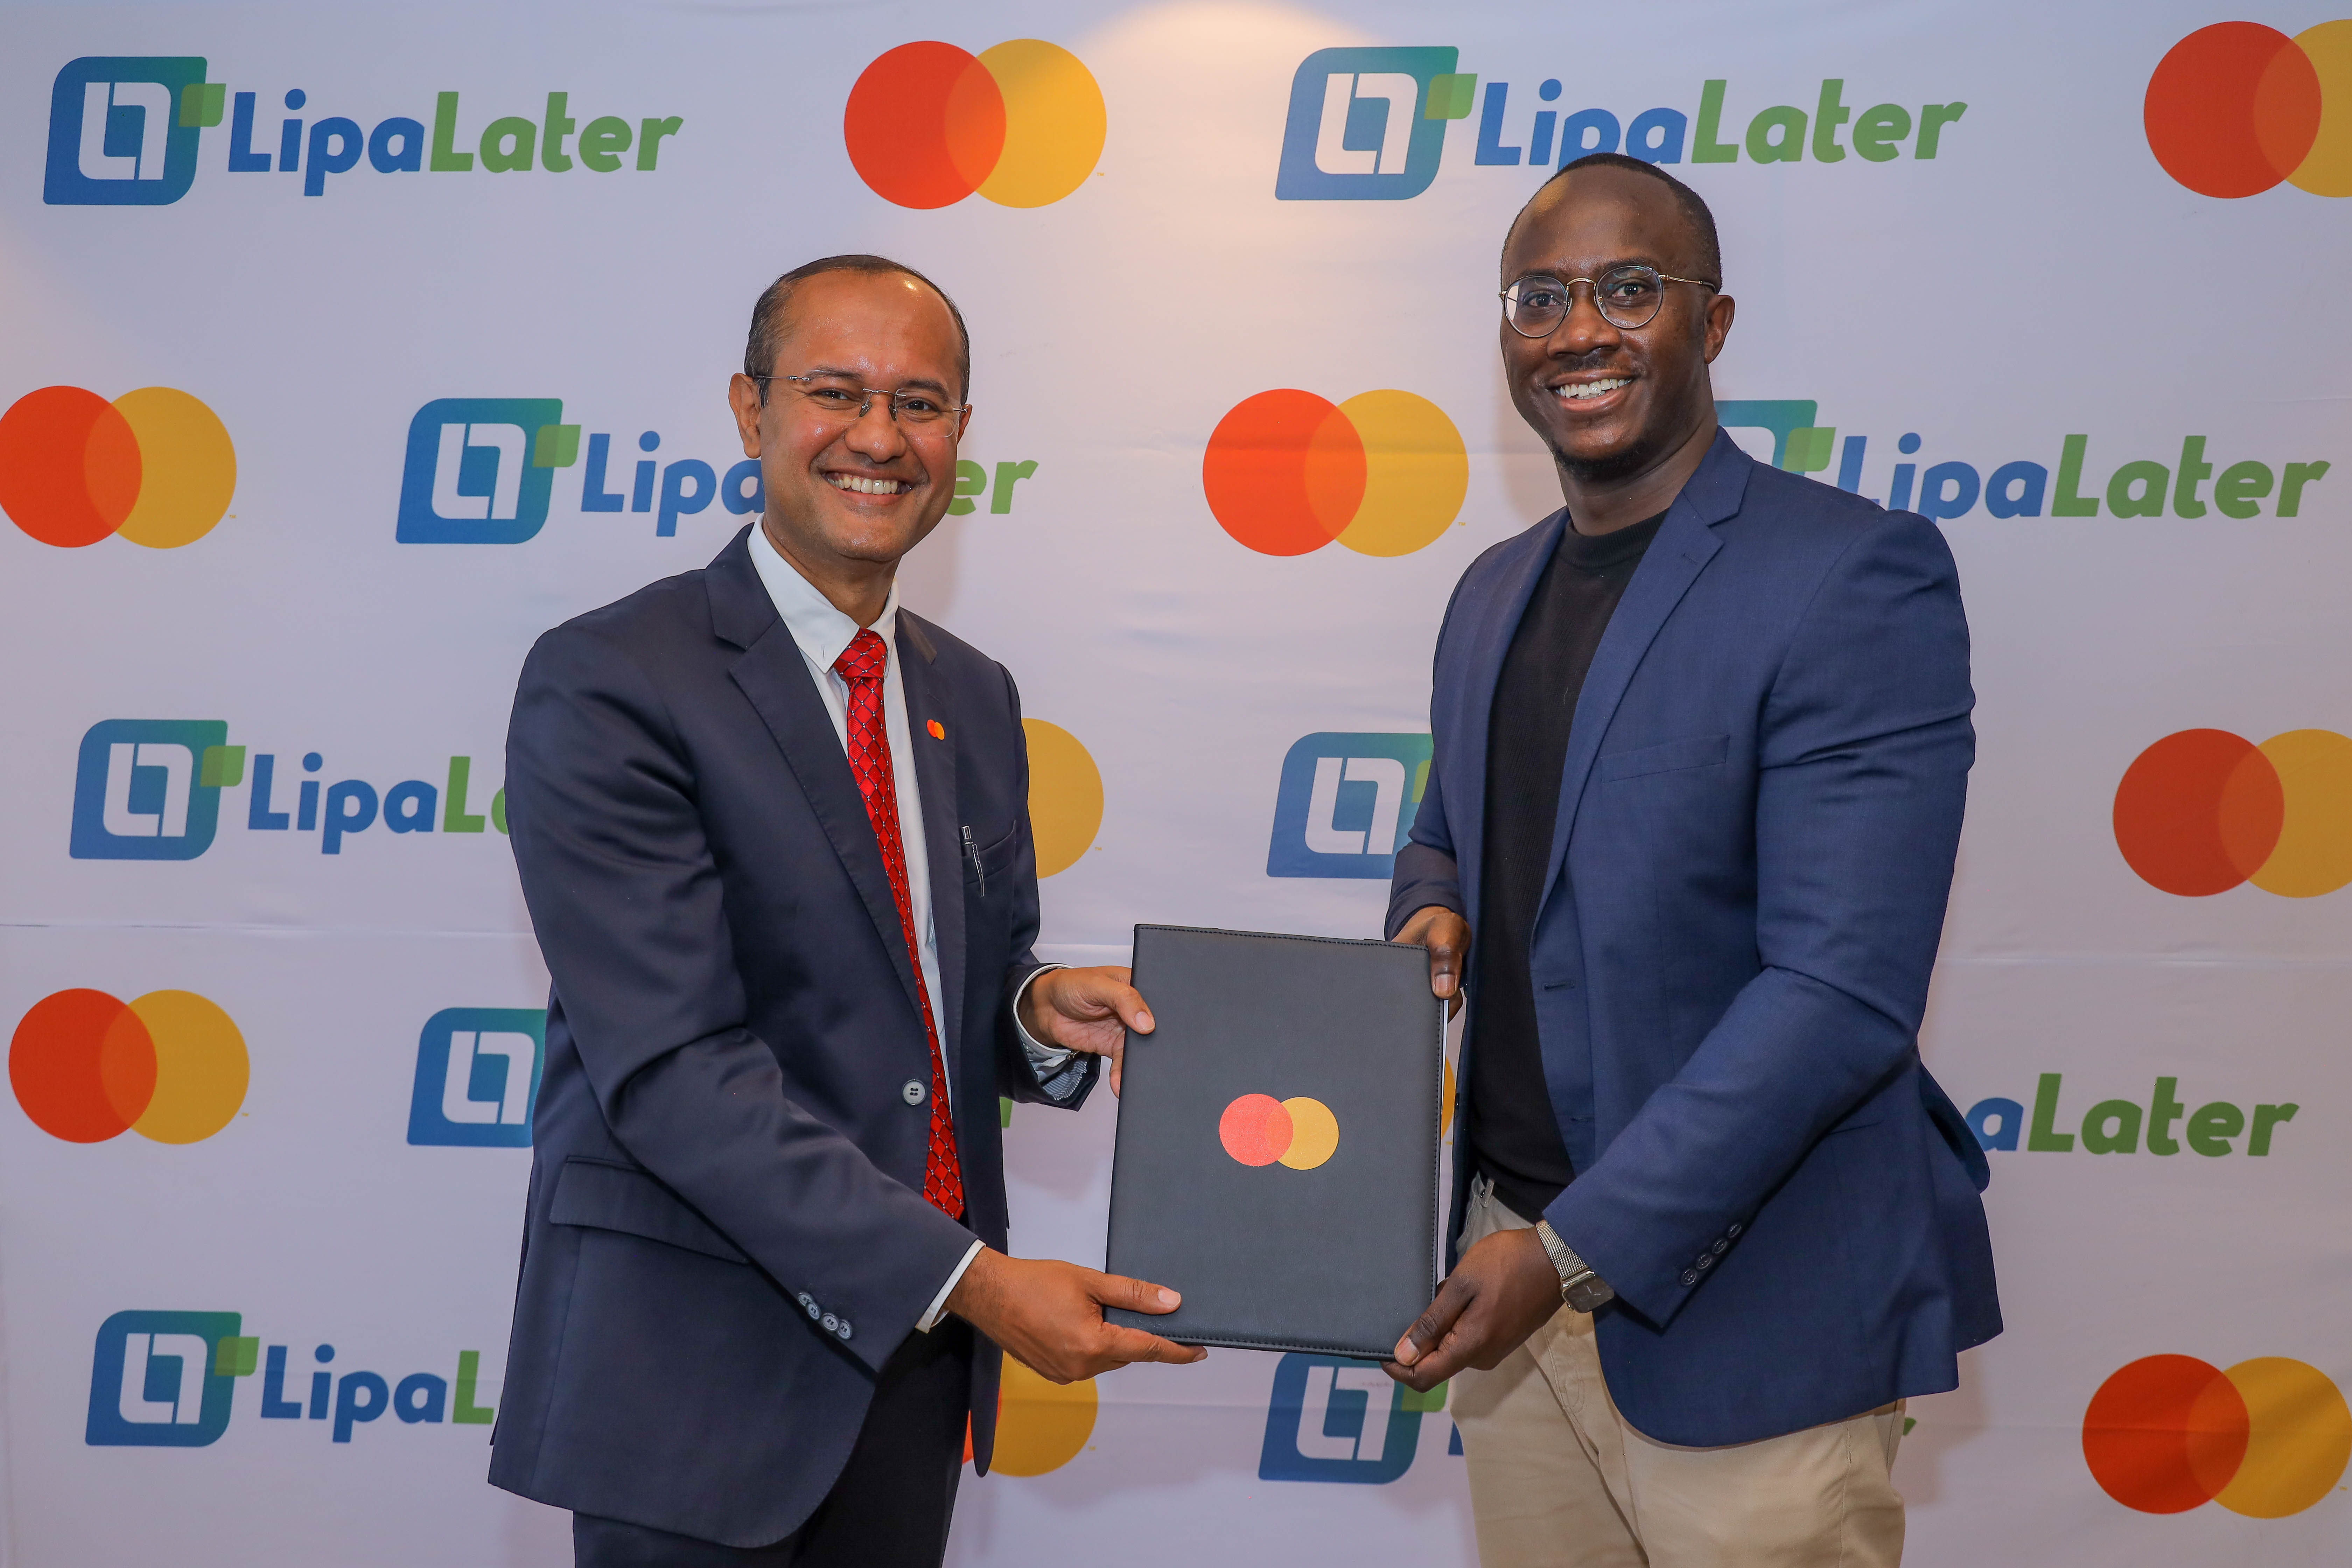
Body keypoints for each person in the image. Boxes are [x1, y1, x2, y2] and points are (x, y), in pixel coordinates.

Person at [490, 254, 1205, 1567]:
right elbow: (674, 1072)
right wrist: (979, 1284)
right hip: (699, 1376)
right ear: (748, 411)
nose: (880, 437)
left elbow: (929, 994)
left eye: (922, 403)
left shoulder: (972, 693)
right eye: (836, 392)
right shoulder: (609, 681)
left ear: (964, 438)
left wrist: (1035, 1015)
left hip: (912, 1370)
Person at [1381, 154, 2000, 1566]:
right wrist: (1433, 906)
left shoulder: (1852, 576)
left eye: (1630, 289)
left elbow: (1841, 994)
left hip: (1750, 1318)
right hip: (1508, 1289)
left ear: (1711, 325)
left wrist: (1565, 1251)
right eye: (1541, 296)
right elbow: (1451, 831)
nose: (1580, 330)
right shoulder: (1491, 591)